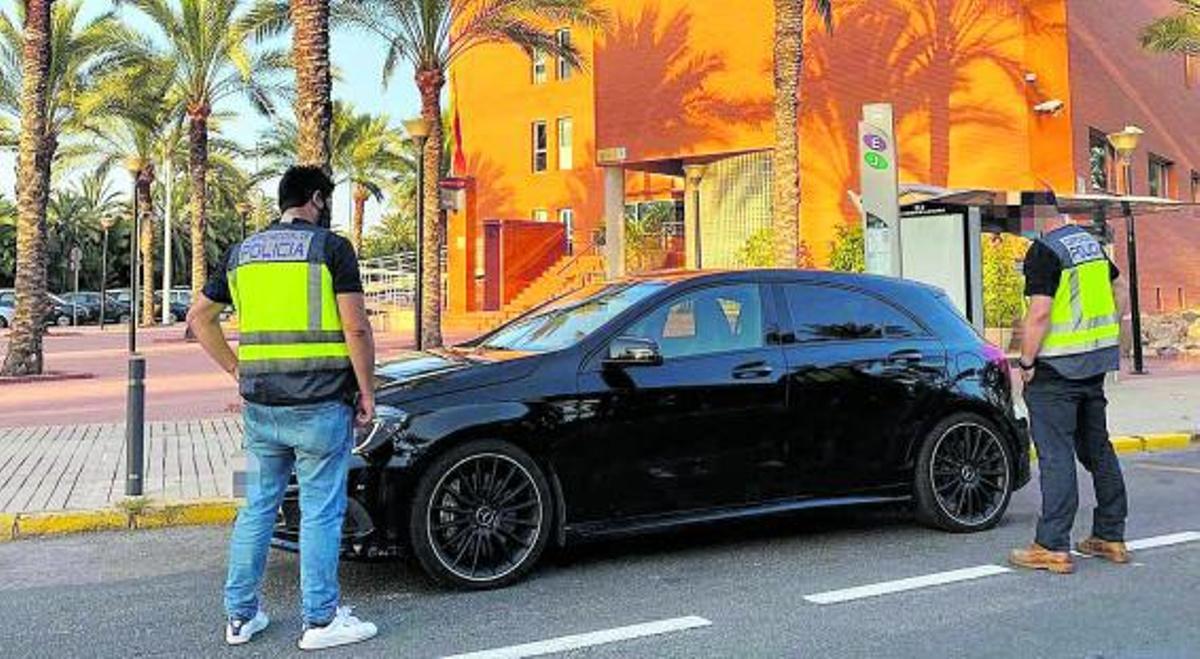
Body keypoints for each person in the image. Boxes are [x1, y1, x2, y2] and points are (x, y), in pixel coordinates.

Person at [187, 165, 379, 649]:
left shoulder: (241, 254)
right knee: (320, 510)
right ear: (316, 199)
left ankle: (240, 617)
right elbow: (355, 328)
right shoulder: (331, 249)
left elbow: (199, 318)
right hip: (319, 406)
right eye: (326, 201)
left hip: (259, 410)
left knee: (255, 507)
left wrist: (235, 368)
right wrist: (368, 392)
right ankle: (320, 621)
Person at [1009, 196, 1129, 575]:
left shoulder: (1044, 251)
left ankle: (1052, 545)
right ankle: (1110, 536)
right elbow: (1121, 290)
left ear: (1033, 217)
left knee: (1056, 455)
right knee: (1098, 450)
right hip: (1092, 366)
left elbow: (1040, 313)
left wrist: (1026, 362)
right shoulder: (1087, 245)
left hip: (1055, 370)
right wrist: (1110, 337)